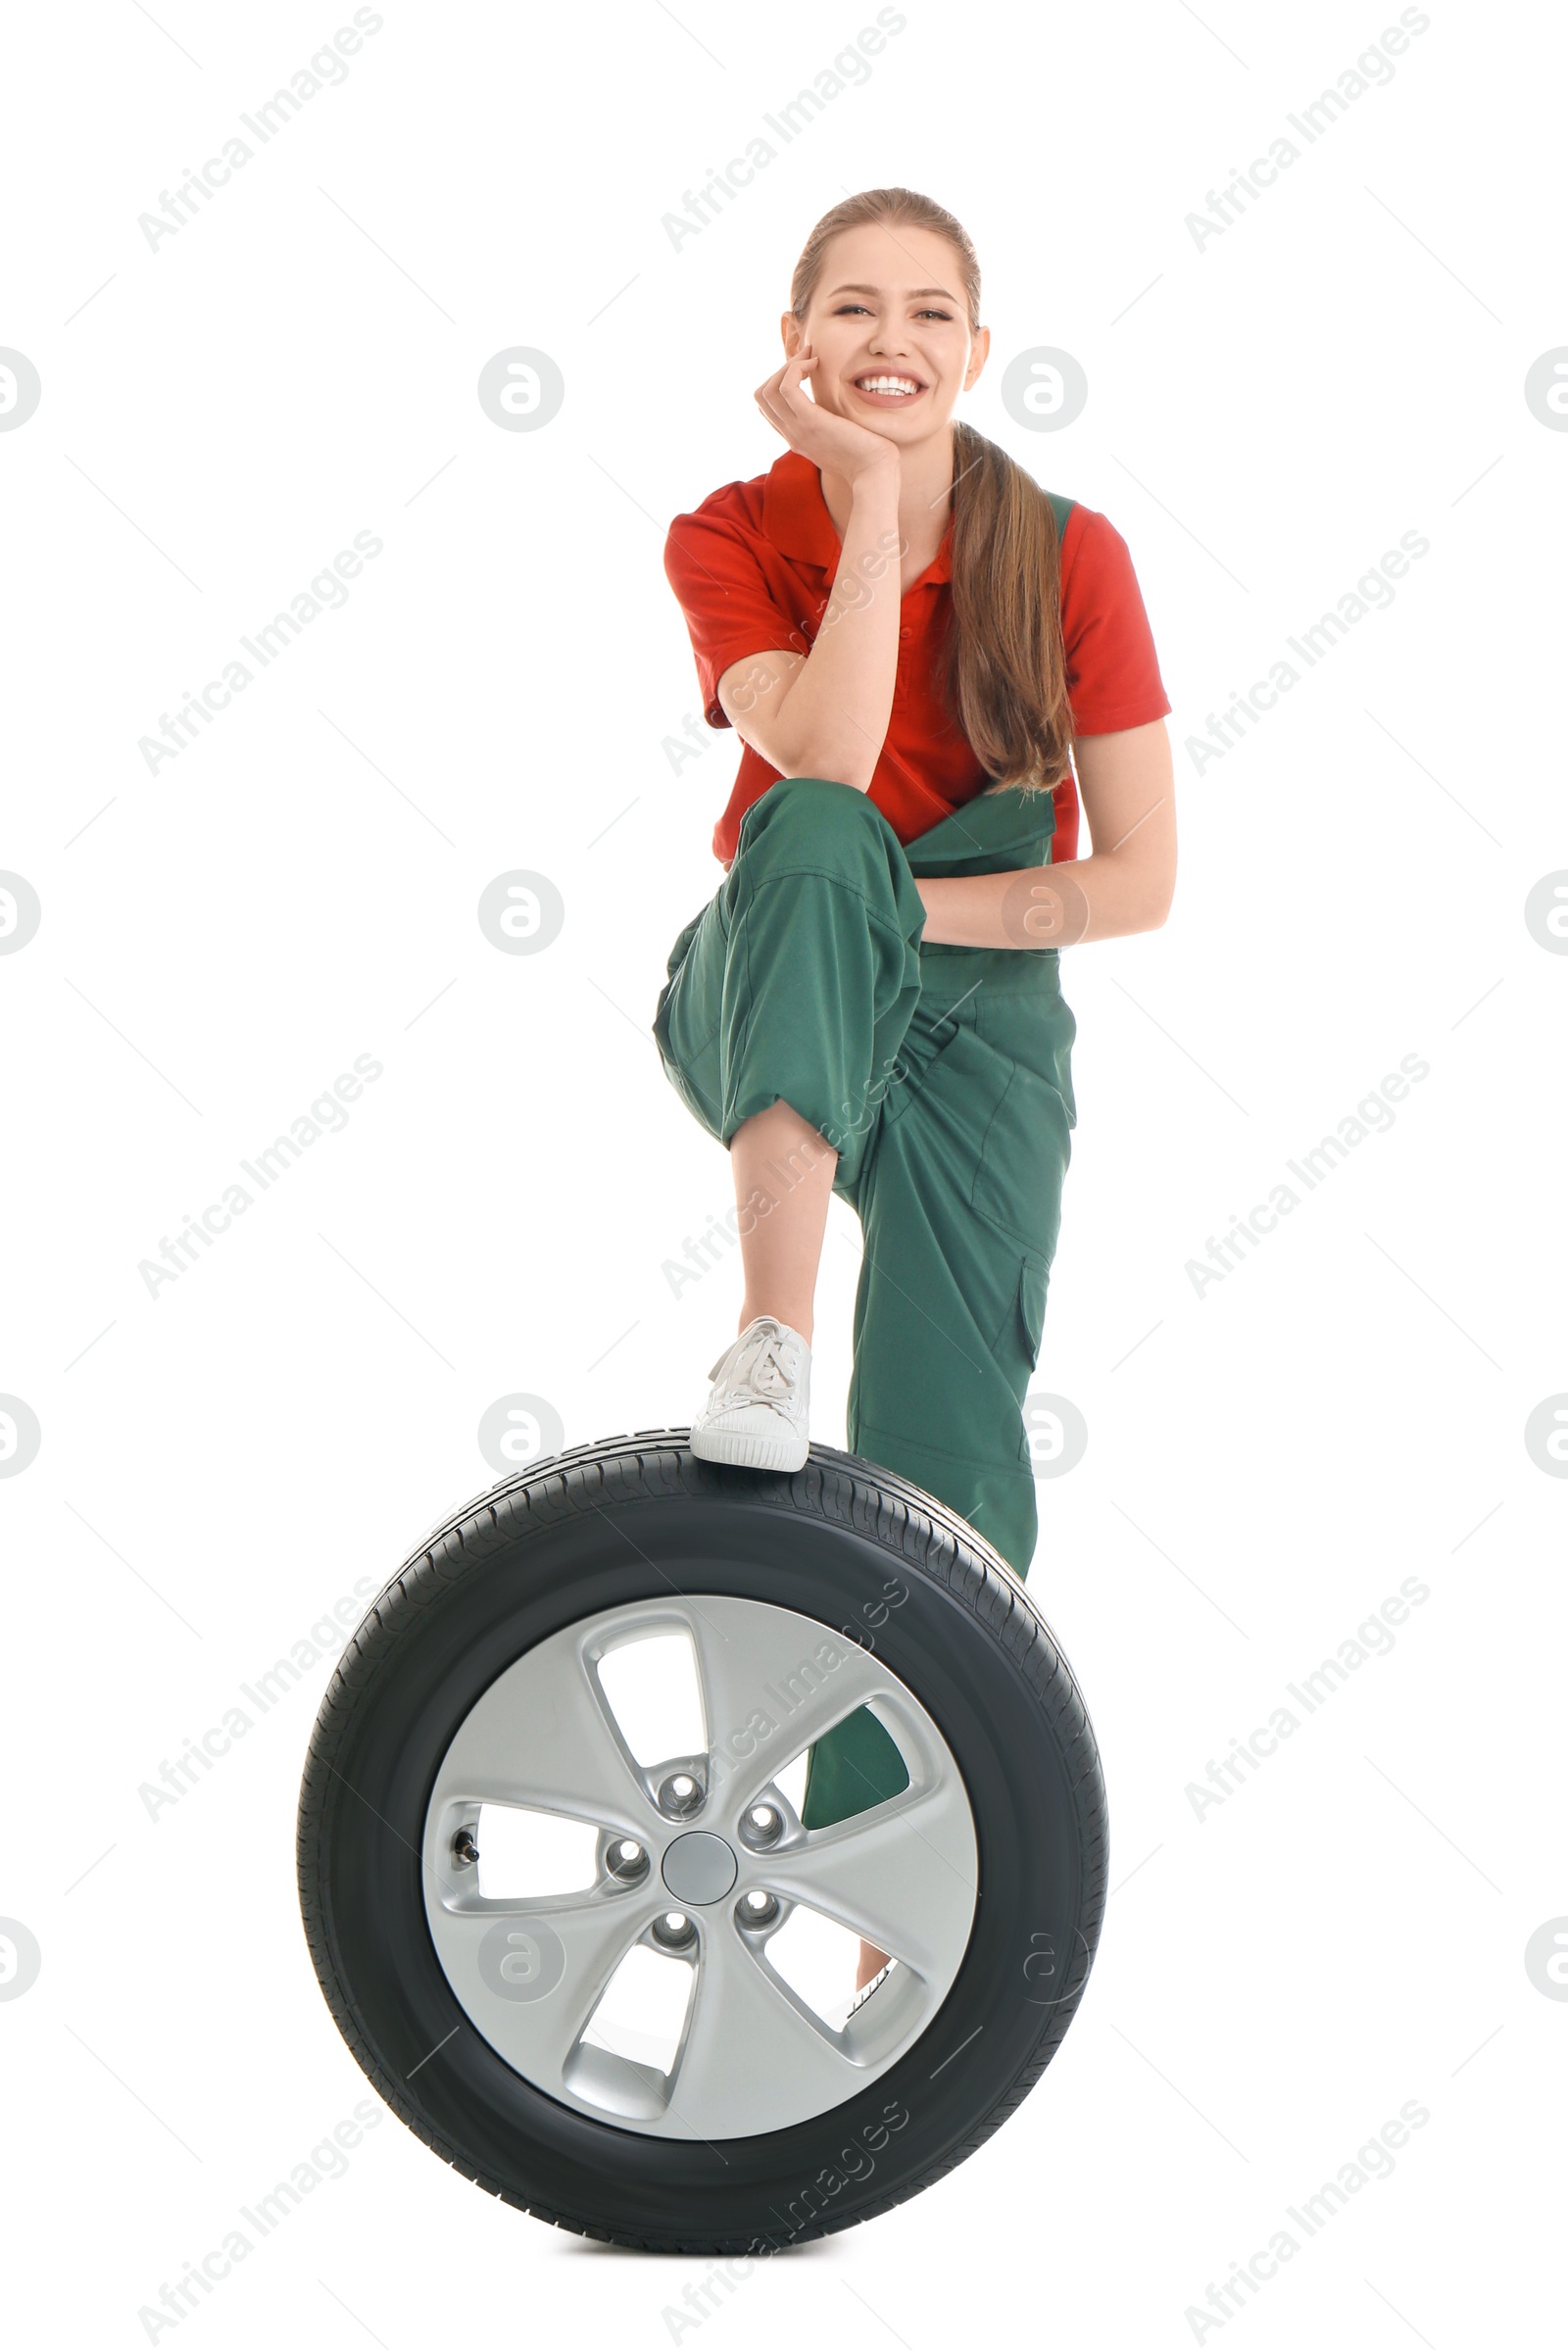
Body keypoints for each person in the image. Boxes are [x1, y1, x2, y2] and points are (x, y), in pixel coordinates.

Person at [653, 186, 1176, 1994]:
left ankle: (898, 1882)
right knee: (809, 831)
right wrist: (870, 507)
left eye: (931, 312)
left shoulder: (1071, 556)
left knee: (956, 1464)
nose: (892, 338)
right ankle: (769, 1338)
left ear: (978, 345)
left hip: (985, 1018)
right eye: (853, 308)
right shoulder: (726, 531)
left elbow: (1137, 883)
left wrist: (912, 912)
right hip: (779, 961)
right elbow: (819, 758)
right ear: (795, 341)